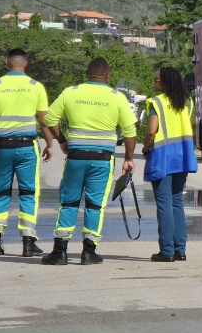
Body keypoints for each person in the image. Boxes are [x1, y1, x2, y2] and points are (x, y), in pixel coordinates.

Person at [40, 58, 137, 265]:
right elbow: (130, 132)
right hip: (102, 159)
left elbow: (49, 119)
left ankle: (59, 251)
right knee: (95, 205)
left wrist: (62, 140)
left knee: (69, 201)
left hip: (76, 157)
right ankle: (89, 252)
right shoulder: (117, 97)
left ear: (86, 74)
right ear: (108, 76)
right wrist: (128, 158)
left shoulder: (70, 92)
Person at [0, 48, 54, 257]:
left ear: (6, 64)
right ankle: (28, 243)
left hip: (3, 147)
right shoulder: (36, 87)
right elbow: (44, 121)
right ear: (25, 65)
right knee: (28, 193)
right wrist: (50, 144)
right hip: (27, 147)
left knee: (1, 192)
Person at [141, 67, 198, 262]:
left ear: (166, 81)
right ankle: (180, 250)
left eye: (157, 78)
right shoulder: (186, 102)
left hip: (162, 156)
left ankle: (166, 251)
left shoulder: (156, 102)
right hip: (182, 156)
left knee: (164, 203)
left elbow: (151, 131)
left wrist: (145, 148)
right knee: (176, 202)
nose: (155, 81)